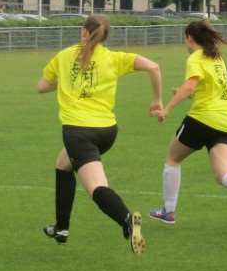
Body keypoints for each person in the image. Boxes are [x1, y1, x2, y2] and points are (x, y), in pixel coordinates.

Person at [38, 14, 163, 256]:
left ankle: (126, 218)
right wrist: (157, 101)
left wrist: (63, 81)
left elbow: (42, 86)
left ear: (84, 31)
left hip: (78, 133)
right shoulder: (114, 58)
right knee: (63, 164)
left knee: (96, 187)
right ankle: (61, 228)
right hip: (107, 132)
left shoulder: (64, 56)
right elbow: (154, 67)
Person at [149, 18, 227, 225]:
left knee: (172, 159)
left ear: (189, 38)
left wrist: (167, 109)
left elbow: (190, 86)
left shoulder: (195, 58)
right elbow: (206, 91)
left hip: (202, 119)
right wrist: (186, 94)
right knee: (223, 174)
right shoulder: (217, 59)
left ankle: (168, 211)